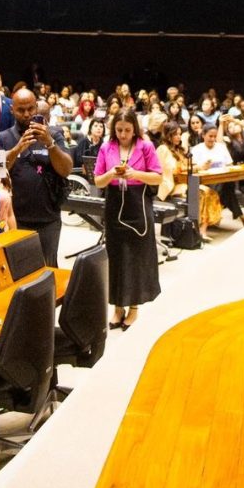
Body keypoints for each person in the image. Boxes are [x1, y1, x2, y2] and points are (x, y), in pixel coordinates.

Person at [93, 110, 162, 329]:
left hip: (138, 205)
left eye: (127, 130)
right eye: (119, 130)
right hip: (114, 206)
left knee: (136, 259)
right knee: (116, 258)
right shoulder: (106, 148)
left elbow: (158, 176)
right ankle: (117, 308)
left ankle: (133, 308)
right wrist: (112, 174)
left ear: (135, 129)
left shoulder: (146, 147)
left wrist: (135, 174)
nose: (123, 134)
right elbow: (98, 182)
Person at [0, 88, 72, 266]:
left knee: (48, 269)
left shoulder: (53, 135)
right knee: (19, 270)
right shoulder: (3, 138)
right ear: (12, 110)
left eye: (31, 109)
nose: (26, 114)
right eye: (20, 110)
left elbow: (66, 169)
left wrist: (50, 144)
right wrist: (17, 149)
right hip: (16, 219)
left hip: (48, 219)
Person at [156, 121, 221, 241]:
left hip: (182, 183)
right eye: (176, 134)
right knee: (202, 192)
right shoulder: (162, 149)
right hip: (171, 185)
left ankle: (202, 230)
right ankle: (196, 230)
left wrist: (199, 166)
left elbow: (187, 165)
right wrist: (197, 167)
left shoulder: (179, 150)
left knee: (210, 192)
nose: (179, 137)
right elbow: (172, 169)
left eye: (180, 134)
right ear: (168, 135)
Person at [191, 123, 244, 225]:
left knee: (227, 185)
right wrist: (202, 166)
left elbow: (230, 165)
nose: (213, 139)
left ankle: (234, 215)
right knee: (227, 189)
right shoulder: (196, 149)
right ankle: (241, 216)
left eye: (214, 136)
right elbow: (193, 170)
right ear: (203, 135)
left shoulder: (221, 147)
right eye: (210, 136)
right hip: (205, 182)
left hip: (222, 180)